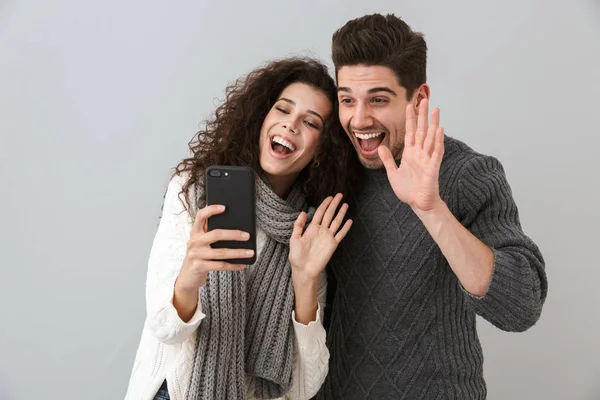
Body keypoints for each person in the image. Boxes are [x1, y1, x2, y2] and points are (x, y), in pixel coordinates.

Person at [318, 14, 548, 400]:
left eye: (378, 99)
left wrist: (430, 208)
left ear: (418, 98)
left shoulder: (468, 173)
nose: (359, 119)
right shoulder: (331, 173)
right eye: (347, 100)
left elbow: (520, 307)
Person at [124, 57, 362, 400]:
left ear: (323, 149)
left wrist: (305, 278)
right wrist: (191, 275)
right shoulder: (194, 194)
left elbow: (305, 386)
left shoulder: (309, 232)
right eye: (283, 109)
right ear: (262, 117)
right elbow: (165, 328)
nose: (290, 125)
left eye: (310, 122)